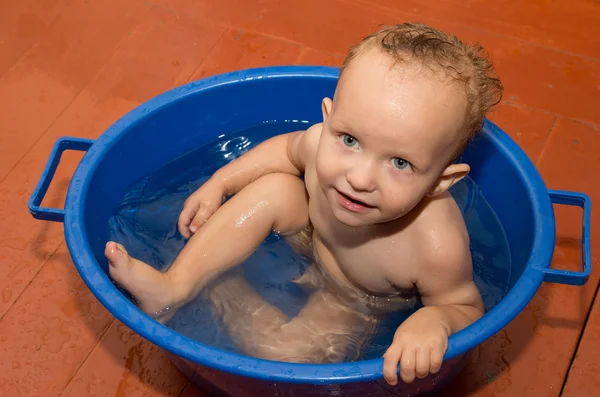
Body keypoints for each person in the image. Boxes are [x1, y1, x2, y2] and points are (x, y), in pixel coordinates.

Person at [104, 22, 503, 386]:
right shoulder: (319, 144)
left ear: (441, 181)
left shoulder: (433, 243)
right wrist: (220, 182)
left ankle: (222, 285)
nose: (359, 178)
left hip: (356, 296)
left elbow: (465, 306)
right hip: (309, 234)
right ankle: (174, 286)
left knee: (289, 355)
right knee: (277, 188)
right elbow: (285, 150)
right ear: (328, 119)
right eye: (349, 140)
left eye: (400, 163)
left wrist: (435, 319)